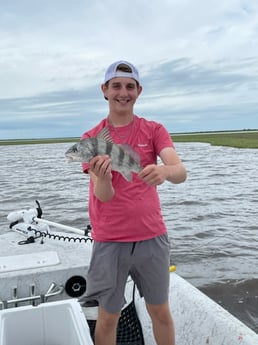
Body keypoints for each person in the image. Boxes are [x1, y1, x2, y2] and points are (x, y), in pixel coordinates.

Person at [81, 60, 187, 345]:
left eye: (130, 86)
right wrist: (103, 177)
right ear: (104, 90)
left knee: (160, 311)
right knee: (107, 317)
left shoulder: (153, 130)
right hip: (110, 241)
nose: (122, 93)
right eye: (116, 86)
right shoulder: (91, 139)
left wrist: (164, 171)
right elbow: (103, 195)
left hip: (152, 237)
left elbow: (180, 172)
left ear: (139, 91)